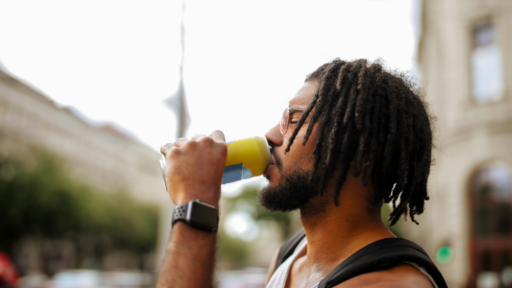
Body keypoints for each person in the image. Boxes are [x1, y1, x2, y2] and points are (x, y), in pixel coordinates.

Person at [157, 59, 445, 287]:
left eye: (294, 119)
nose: (270, 135)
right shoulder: (290, 256)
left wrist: (196, 203)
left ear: (359, 145)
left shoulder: (391, 283)